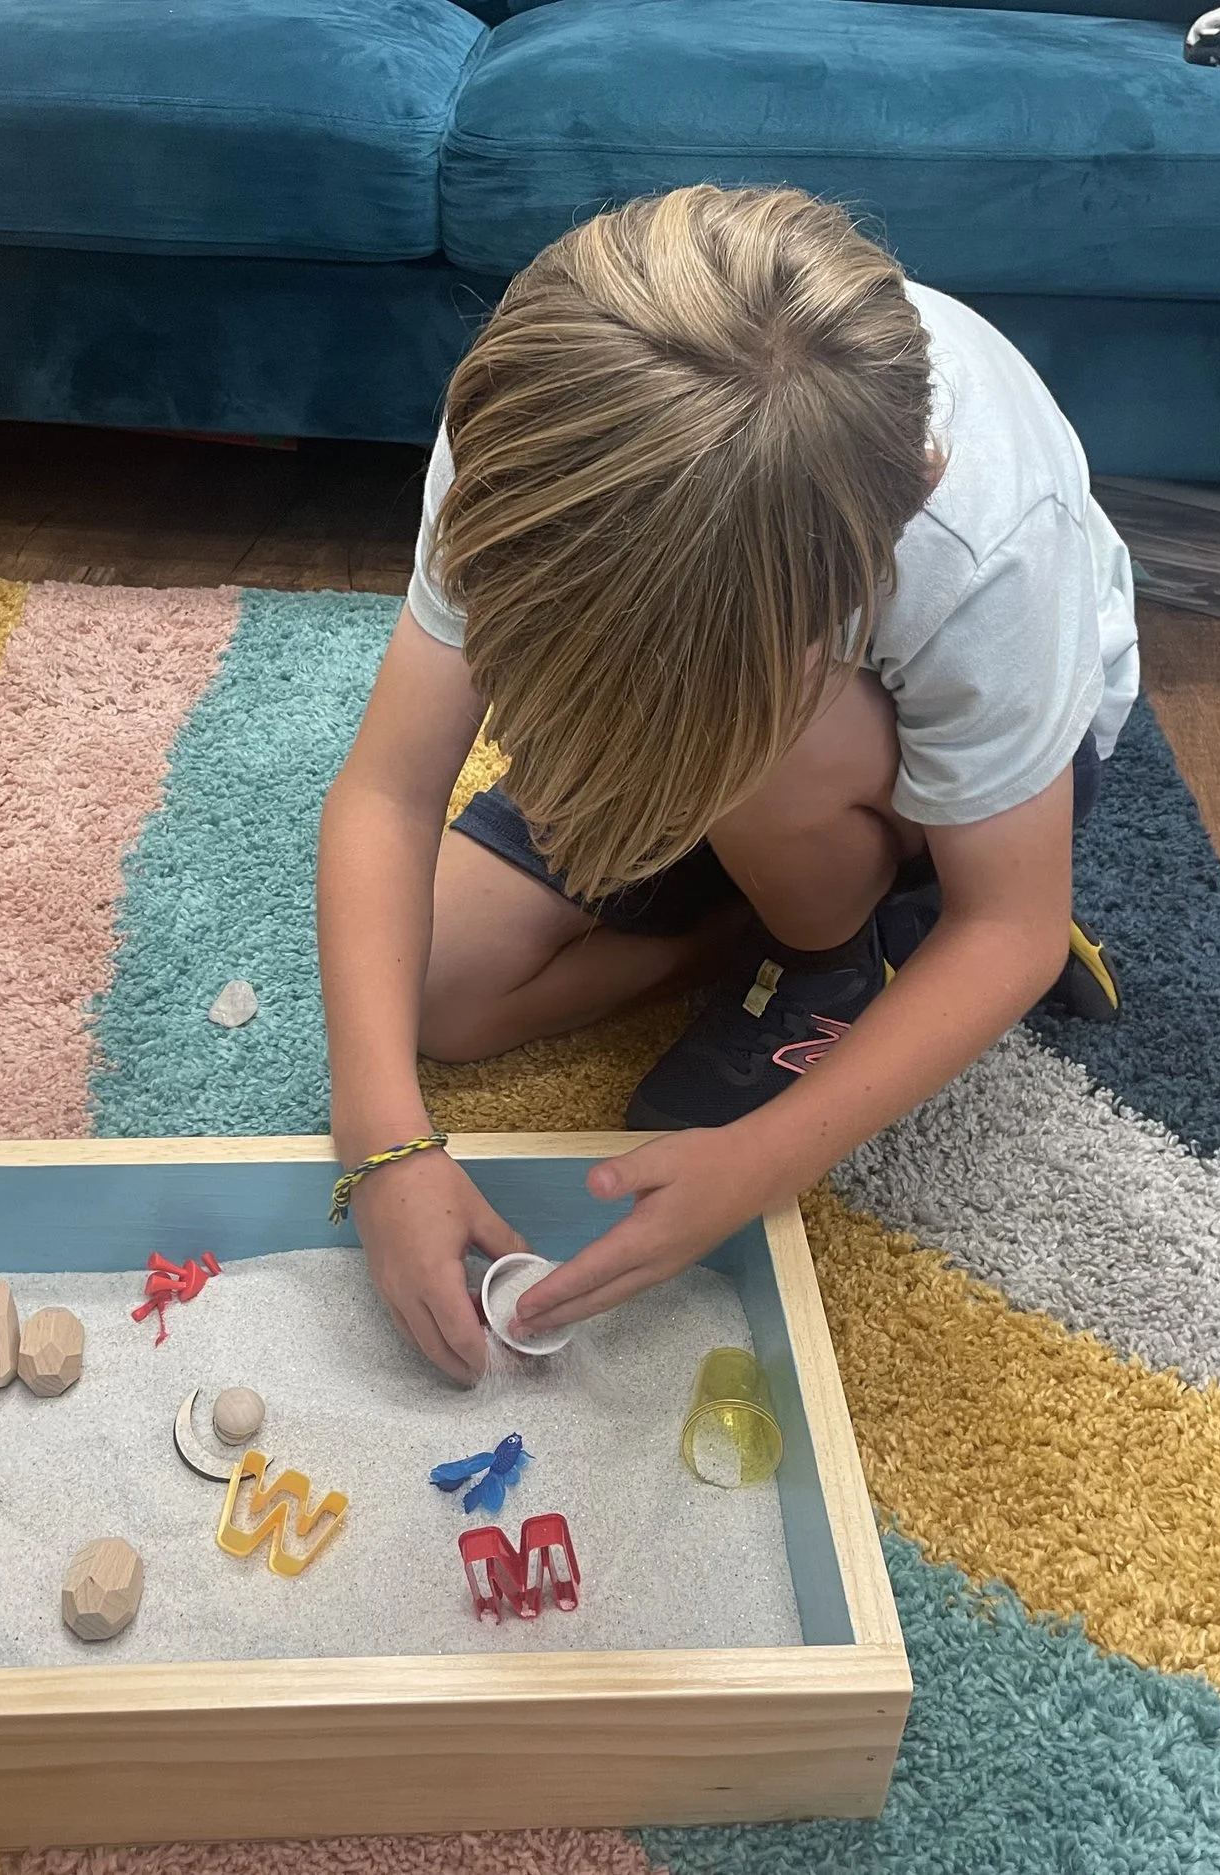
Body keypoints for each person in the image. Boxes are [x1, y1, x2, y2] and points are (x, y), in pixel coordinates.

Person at [316, 184, 1138, 1382]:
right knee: (435, 995)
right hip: (713, 696)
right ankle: (760, 929)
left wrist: (762, 1160)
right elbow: (387, 793)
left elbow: (1007, 927)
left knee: (788, 750)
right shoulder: (530, 427)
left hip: (887, 756)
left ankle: (827, 950)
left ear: (911, 494)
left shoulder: (983, 546)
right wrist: (380, 1138)